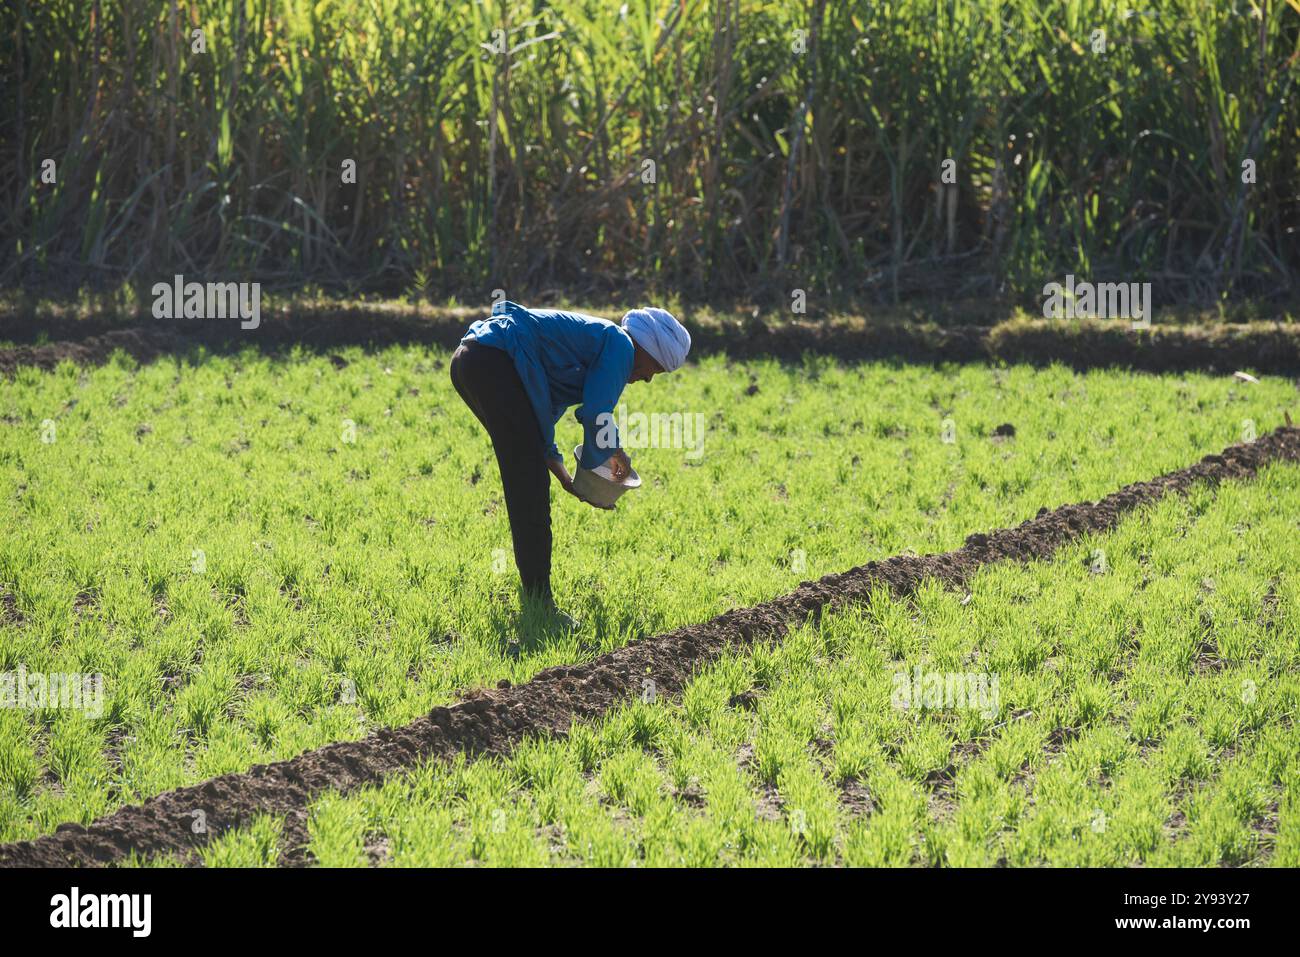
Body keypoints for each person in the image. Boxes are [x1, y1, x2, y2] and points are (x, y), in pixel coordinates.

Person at [450, 300, 690, 623]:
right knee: (529, 489)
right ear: (647, 349)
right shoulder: (620, 345)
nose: (648, 379)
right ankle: (541, 606)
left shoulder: (601, 348)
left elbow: (541, 417)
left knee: (528, 477)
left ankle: (536, 600)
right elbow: (595, 413)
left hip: (471, 362)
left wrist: (566, 476)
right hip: (493, 363)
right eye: (656, 369)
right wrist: (608, 460)